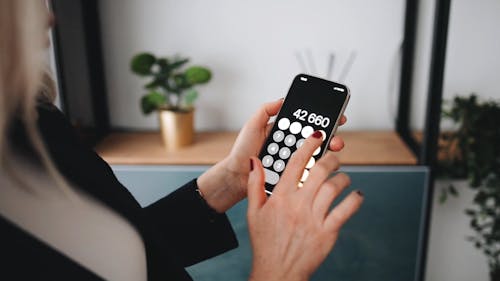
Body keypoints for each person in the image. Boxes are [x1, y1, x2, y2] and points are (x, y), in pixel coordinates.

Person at [0, 1, 363, 280]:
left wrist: (229, 181)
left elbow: (113, 255)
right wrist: (277, 270)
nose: (48, 18)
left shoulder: (32, 119)